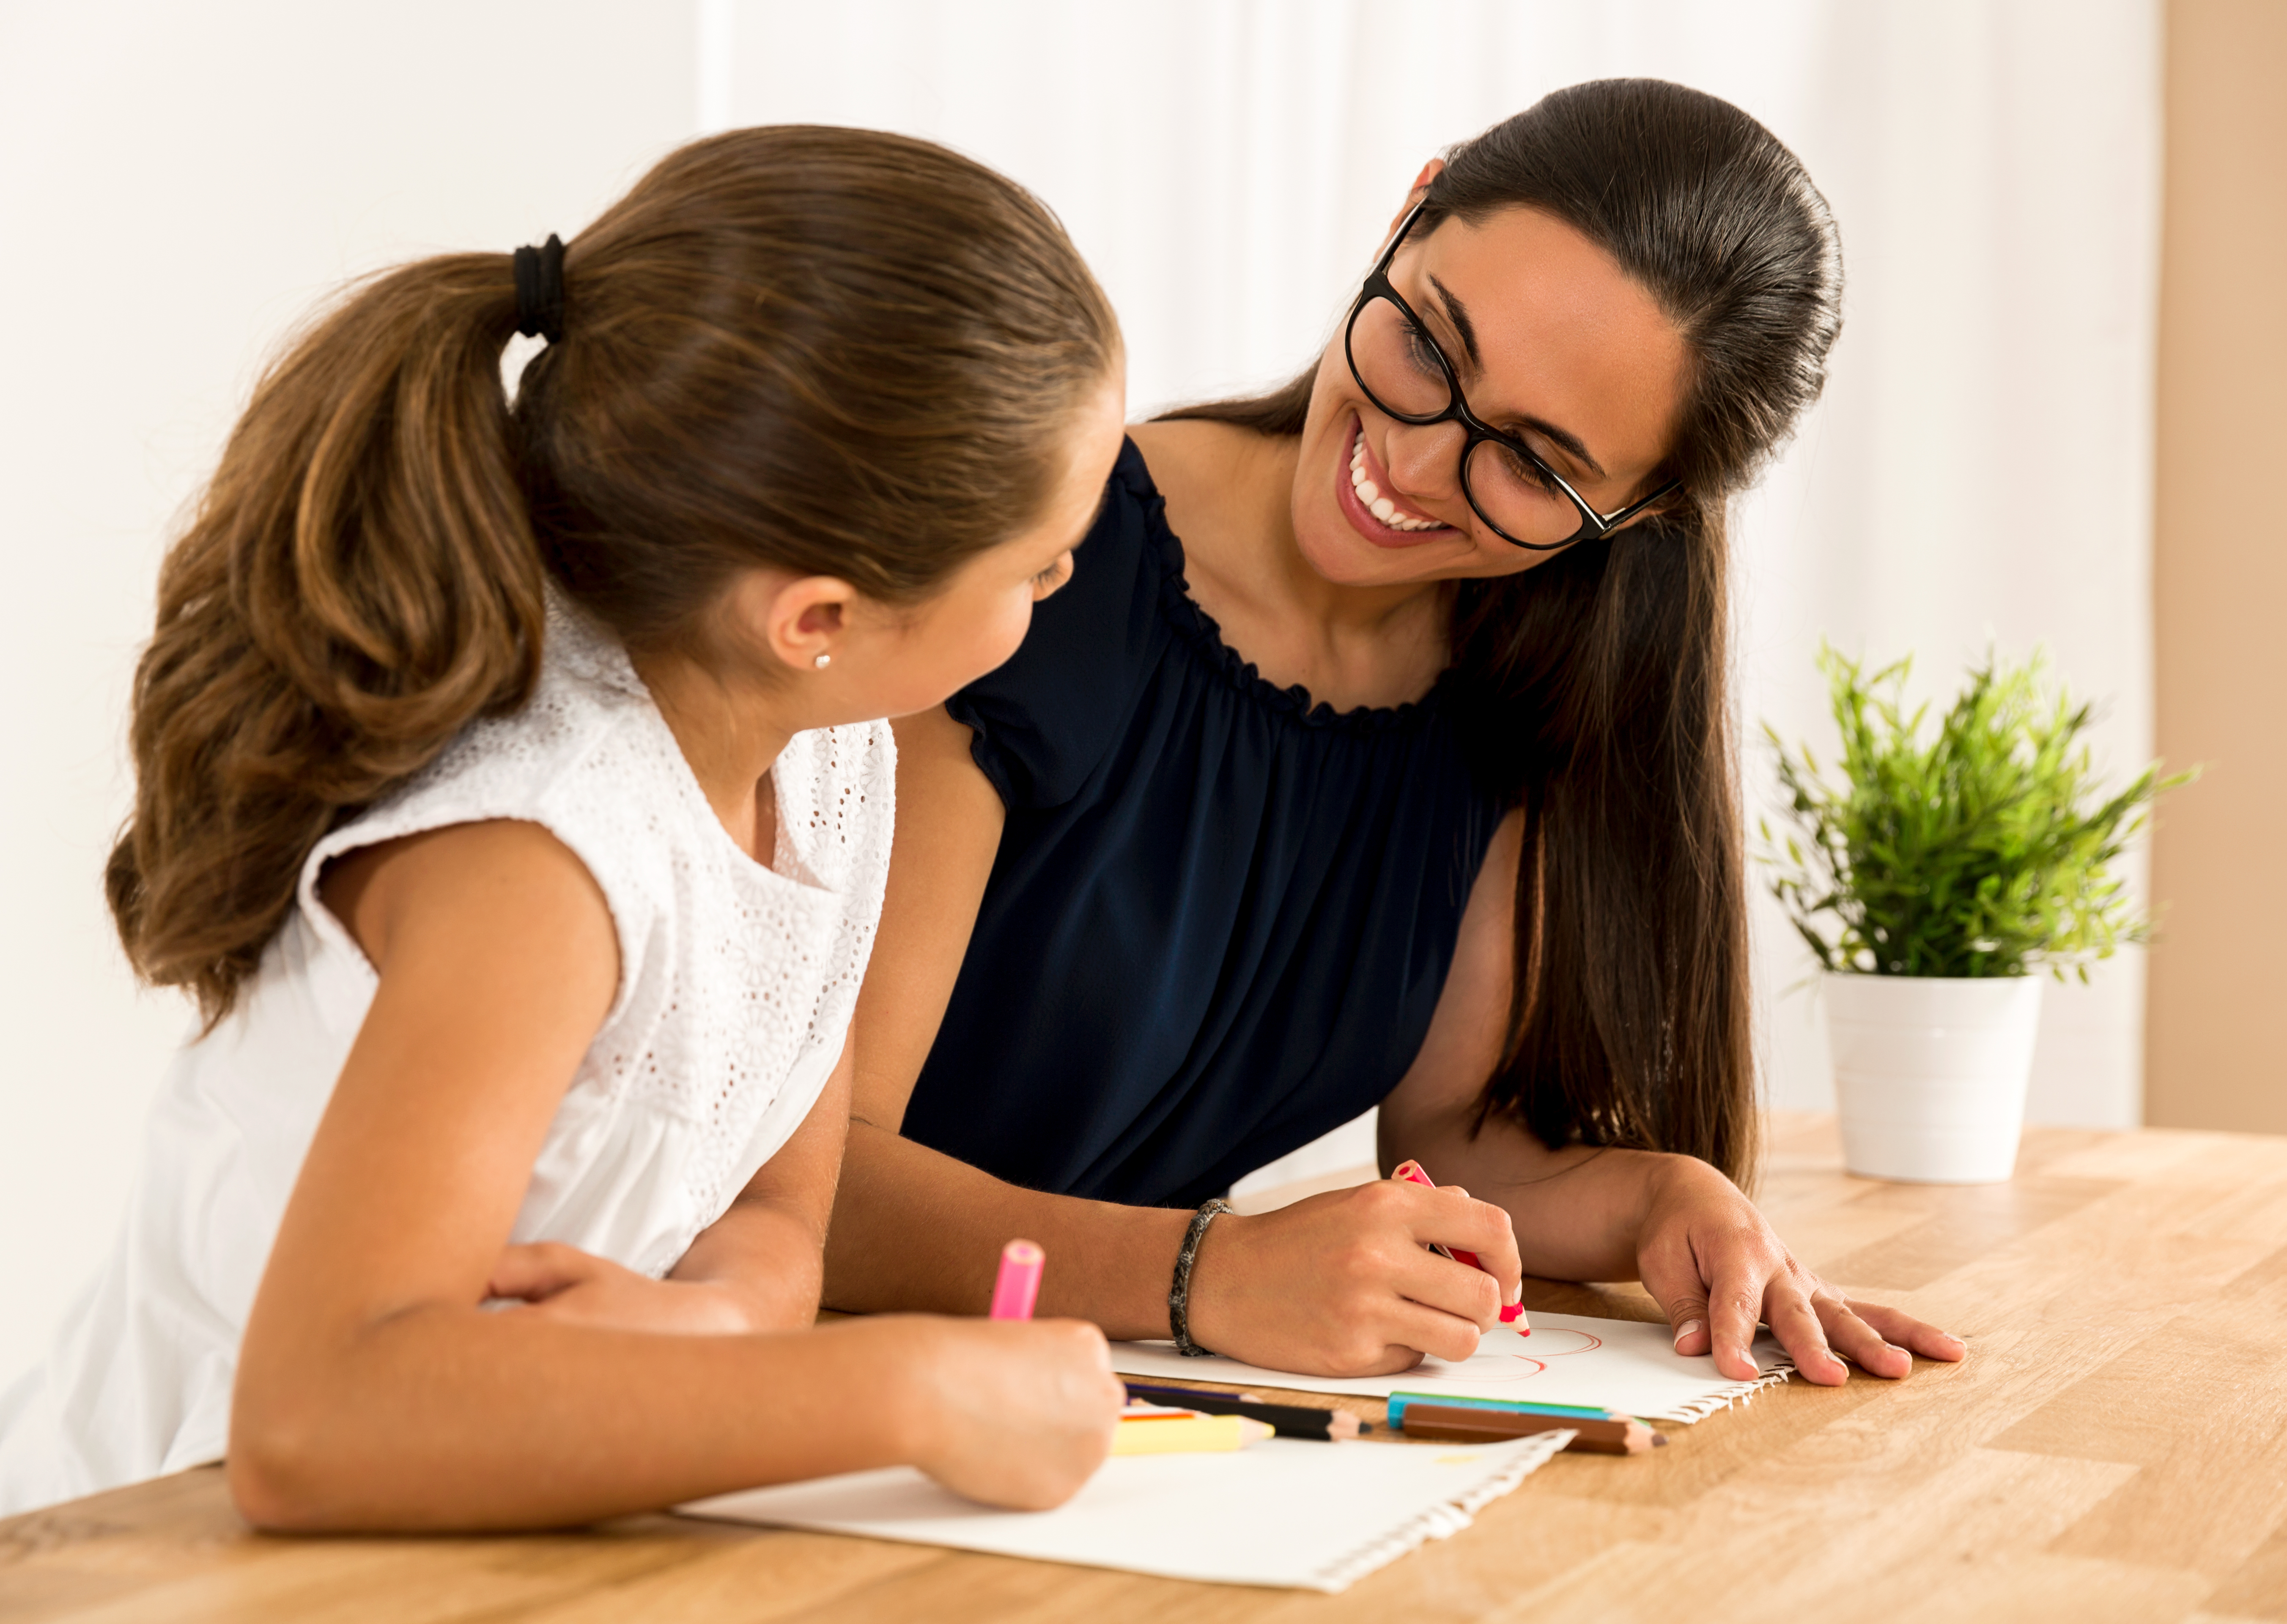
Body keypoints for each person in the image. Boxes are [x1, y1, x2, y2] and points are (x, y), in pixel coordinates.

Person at [0, 126, 1130, 1527]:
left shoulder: (830, 758)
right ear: (819, 618)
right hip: (152, 1549)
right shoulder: (545, 852)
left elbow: (782, 1202)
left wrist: (721, 1323)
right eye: (1039, 564)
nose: (1068, 580)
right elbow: (308, 1423)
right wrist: (904, 1393)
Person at [825, 80, 1968, 1386]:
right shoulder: (1036, 568)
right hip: (817, 1383)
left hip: (1080, 1414)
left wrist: (1666, 1200)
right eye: (1431, 344)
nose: (1415, 466)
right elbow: (802, 1183)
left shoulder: (1506, 689)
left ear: (1638, 519)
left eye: (1537, 464)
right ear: (1409, 211)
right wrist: (1210, 1273)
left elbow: (1449, 1140)